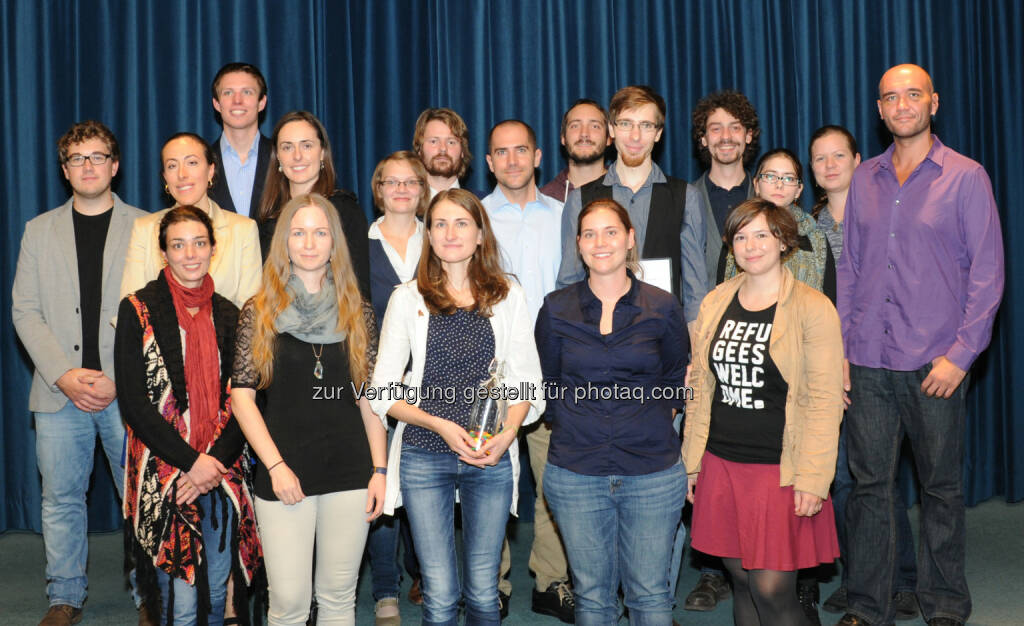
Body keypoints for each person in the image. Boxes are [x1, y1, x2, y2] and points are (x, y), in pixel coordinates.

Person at [836, 64, 1004, 626]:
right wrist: (841, 347)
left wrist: (962, 355)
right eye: (890, 97)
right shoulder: (864, 179)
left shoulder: (967, 177)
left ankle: (945, 604)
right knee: (870, 489)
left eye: (913, 94)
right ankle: (869, 604)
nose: (902, 104)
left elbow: (987, 274)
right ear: (879, 110)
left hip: (936, 363)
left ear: (933, 101)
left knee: (940, 490)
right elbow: (852, 268)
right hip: (867, 360)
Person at [369, 188, 545, 625]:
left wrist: (507, 437)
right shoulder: (407, 298)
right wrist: (440, 424)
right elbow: (383, 391)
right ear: (428, 234)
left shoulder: (509, 295)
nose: (451, 233)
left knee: (485, 592)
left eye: (462, 223)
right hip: (425, 454)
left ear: (480, 233)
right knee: (441, 593)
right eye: (441, 224)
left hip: (491, 456)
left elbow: (527, 382)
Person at [683, 198, 843, 626]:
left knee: (772, 589)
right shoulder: (716, 301)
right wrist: (692, 462)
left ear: (783, 241)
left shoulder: (812, 307)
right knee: (740, 579)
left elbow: (826, 401)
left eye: (762, 235)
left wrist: (814, 478)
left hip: (779, 471)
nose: (750, 246)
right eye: (740, 236)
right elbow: (700, 386)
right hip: (722, 462)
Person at [12, 120, 147, 626]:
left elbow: (155, 311)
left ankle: (148, 595)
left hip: (127, 392)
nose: (88, 166)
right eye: (77, 158)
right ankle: (63, 597)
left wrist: (118, 376)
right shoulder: (38, 230)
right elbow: (24, 310)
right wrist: (65, 374)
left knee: (139, 499)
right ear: (65, 170)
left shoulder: (148, 226)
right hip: (58, 392)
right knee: (61, 500)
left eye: (97, 156)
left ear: (115, 165)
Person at [230, 193, 387, 625]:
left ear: (334, 242)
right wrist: (276, 466)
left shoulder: (359, 312)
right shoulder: (258, 312)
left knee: (339, 596)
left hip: (350, 471)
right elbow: (241, 399)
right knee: (289, 603)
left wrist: (379, 470)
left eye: (320, 232)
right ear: (284, 241)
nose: (309, 242)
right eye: (298, 233)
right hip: (285, 472)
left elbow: (367, 400)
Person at [536, 199, 688, 624]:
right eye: (589, 234)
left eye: (611, 232)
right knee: (592, 597)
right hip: (576, 471)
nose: (600, 242)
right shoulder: (555, 308)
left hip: (652, 473)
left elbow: (676, 379)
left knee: (651, 596)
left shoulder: (663, 306)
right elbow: (548, 384)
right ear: (579, 245)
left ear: (630, 239)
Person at [115, 206, 261, 625]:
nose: (190, 254)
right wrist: (189, 463)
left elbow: (246, 402)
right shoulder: (137, 309)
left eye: (199, 243)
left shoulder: (233, 315)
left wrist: (210, 465)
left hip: (221, 468)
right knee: (175, 596)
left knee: (216, 591)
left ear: (214, 248)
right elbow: (135, 403)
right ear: (164, 253)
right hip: (165, 471)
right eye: (178, 245)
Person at [806, 125, 919, 621]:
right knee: (841, 481)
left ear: (859, 160)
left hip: (874, 358)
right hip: (824, 365)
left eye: (838, 156)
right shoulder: (807, 227)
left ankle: (904, 579)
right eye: (819, 159)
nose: (829, 166)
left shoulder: (881, 215)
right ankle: (860, 579)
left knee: (876, 478)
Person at [481, 119, 571, 622]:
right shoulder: (474, 218)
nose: (513, 160)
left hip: (553, 364)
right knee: (492, 479)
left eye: (522, 151)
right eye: (502, 152)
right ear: (489, 162)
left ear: (538, 157)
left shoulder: (563, 215)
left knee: (554, 479)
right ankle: (490, 583)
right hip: (490, 370)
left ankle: (550, 580)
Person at [556, 85, 707, 326]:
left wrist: (695, 355)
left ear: (658, 133)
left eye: (646, 125)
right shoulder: (580, 200)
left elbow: (695, 290)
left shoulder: (686, 196)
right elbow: (569, 282)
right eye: (626, 124)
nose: (635, 137)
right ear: (612, 129)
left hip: (664, 337)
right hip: (599, 336)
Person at [366, 151, 431, 625]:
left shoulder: (442, 237)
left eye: (412, 182)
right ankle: (384, 587)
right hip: (374, 378)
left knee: (426, 482)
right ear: (379, 189)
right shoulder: (359, 242)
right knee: (381, 479)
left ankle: (426, 574)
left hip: (433, 381)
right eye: (393, 182)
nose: (403, 190)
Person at [120, 132, 262, 309]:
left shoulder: (243, 230)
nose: (182, 174)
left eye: (192, 163)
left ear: (210, 171)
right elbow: (132, 309)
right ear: (165, 178)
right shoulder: (145, 229)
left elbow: (250, 312)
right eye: (172, 166)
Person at [256, 111, 370, 297]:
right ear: (277, 157)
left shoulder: (345, 212)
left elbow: (359, 290)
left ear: (322, 152)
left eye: (307, 146)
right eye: (287, 147)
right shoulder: (267, 218)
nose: (297, 156)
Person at [721, 148, 833, 299]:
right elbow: (721, 295)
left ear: (799, 190)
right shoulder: (738, 230)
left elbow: (830, 301)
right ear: (756, 184)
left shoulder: (815, 238)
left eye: (788, 178)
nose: (779, 185)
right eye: (770, 176)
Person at [690, 90, 760, 292]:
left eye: (735, 128)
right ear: (703, 139)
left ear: (748, 136)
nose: (726, 137)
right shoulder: (684, 199)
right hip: (704, 320)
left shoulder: (767, 197)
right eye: (716, 129)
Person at [208, 62, 272, 218]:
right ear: (217, 104)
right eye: (228, 93)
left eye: (247, 92)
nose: (237, 100)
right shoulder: (201, 162)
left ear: (261, 102)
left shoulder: (283, 157)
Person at [539, 99, 612, 202]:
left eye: (595, 126)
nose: (584, 133)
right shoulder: (545, 200)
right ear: (563, 138)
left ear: (608, 139)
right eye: (575, 126)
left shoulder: (628, 193)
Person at [412, 108, 475, 198]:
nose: (443, 148)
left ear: (462, 151)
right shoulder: (405, 206)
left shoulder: (482, 205)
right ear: (419, 150)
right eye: (433, 141)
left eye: (451, 142)